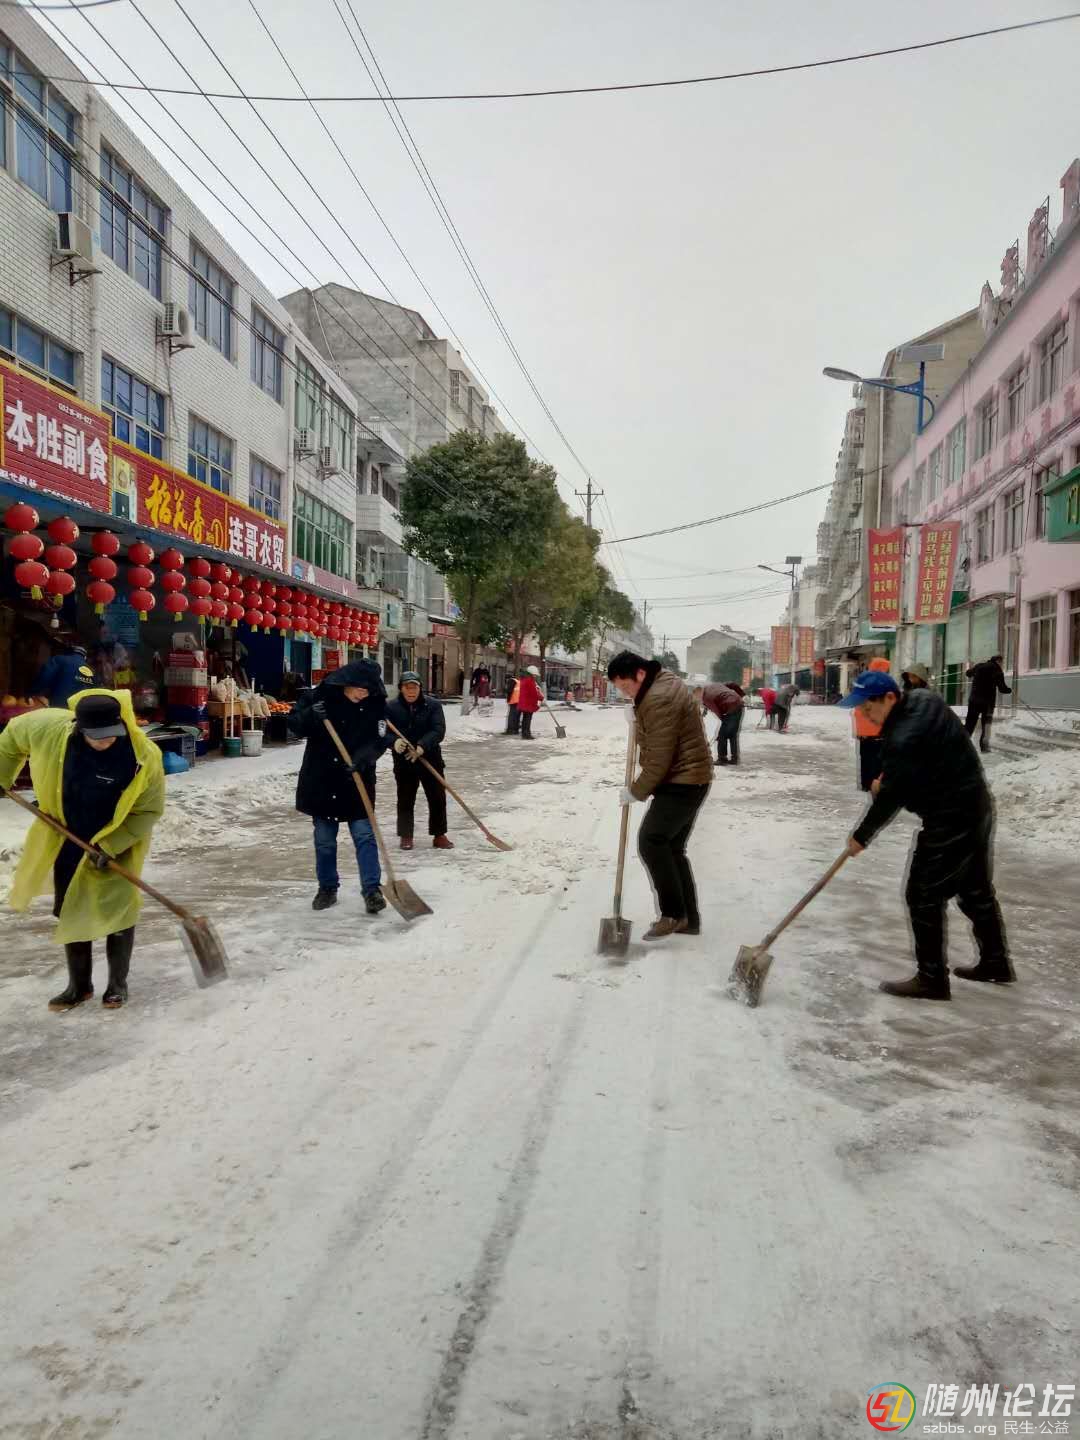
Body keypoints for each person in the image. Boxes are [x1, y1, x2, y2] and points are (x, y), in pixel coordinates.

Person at [842, 669, 1013, 1001]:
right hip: (976, 806)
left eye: (868, 706)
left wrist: (861, 836)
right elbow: (923, 755)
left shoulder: (903, 737)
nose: (865, 713)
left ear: (889, 697)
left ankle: (931, 979)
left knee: (922, 894)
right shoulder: (925, 699)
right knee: (974, 889)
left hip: (950, 818)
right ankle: (995, 962)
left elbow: (892, 797)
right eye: (860, 707)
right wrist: (892, 776)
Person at [0, 690, 166, 1010]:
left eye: (112, 733)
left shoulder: (143, 756)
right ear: (79, 727)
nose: (106, 741)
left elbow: (149, 810)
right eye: (97, 736)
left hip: (118, 838)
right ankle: (79, 986)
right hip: (67, 835)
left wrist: (111, 845)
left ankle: (117, 985)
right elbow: (10, 738)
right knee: (70, 907)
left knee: (118, 910)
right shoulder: (48, 728)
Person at [607, 650, 713, 941]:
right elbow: (657, 739)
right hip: (691, 778)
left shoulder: (657, 698)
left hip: (682, 781)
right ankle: (687, 919)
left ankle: (673, 914)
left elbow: (659, 758)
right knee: (672, 847)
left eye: (626, 686)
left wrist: (635, 791)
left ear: (640, 674)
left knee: (652, 841)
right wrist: (638, 715)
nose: (625, 693)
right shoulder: (662, 681)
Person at [288, 658, 390, 914]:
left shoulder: (375, 703)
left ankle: (372, 890)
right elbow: (294, 725)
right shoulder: (320, 696)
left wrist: (363, 759)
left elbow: (380, 740)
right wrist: (312, 715)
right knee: (324, 840)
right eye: (360, 690)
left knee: (364, 836)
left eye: (368, 691)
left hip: (357, 780)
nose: (363, 695)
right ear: (347, 682)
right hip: (322, 780)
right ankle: (327, 888)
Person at [387, 671, 452, 851]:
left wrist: (422, 746)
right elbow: (383, 732)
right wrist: (394, 742)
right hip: (404, 760)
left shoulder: (433, 705)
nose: (411, 691)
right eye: (407, 687)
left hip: (430, 757)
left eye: (414, 687)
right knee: (405, 798)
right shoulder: (390, 707)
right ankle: (406, 835)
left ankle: (439, 834)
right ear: (401, 689)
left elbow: (438, 730)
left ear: (420, 688)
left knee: (437, 796)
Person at [852, 657, 892, 792]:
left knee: (865, 758)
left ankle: (865, 784)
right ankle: (874, 784)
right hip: (877, 731)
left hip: (864, 731)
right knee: (877, 760)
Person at [965, 654, 1011, 753]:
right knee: (986, 726)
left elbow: (968, 673)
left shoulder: (979, 666)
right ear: (998, 661)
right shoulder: (997, 670)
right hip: (988, 703)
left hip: (974, 701)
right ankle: (984, 747)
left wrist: (975, 671)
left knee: (970, 724)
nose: (1002, 664)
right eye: (1002, 662)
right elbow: (1002, 689)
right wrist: (1009, 690)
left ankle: (961, 744)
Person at [32, 640, 96, 708]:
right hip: (79, 710)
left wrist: (35, 692)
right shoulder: (91, 670)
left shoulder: (59, 659)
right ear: (85, 656)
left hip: (58, 705)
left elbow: (45, 677)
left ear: (70, 652)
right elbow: (93, 692)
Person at [697, 682, 745, 766]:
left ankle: (722, 759)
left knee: (722, 735)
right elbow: (732, 684)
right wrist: (741, 695)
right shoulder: (716, 685)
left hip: (731, 708)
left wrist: (724, 723)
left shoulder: (707, 698)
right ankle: (734, 759)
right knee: (732, 735)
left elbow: (718, 712)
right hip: (739, 705)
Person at [516, 666, 543, 739]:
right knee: (527, 719)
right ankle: (526, 734)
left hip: (524, 702)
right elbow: (533, 693)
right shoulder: (530, 681)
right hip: (528, 703)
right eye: (535, 674)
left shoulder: (524, 679)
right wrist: (541, 698)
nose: (535, 676)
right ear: (531, 673)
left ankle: (525, 734)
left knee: (525, 719)